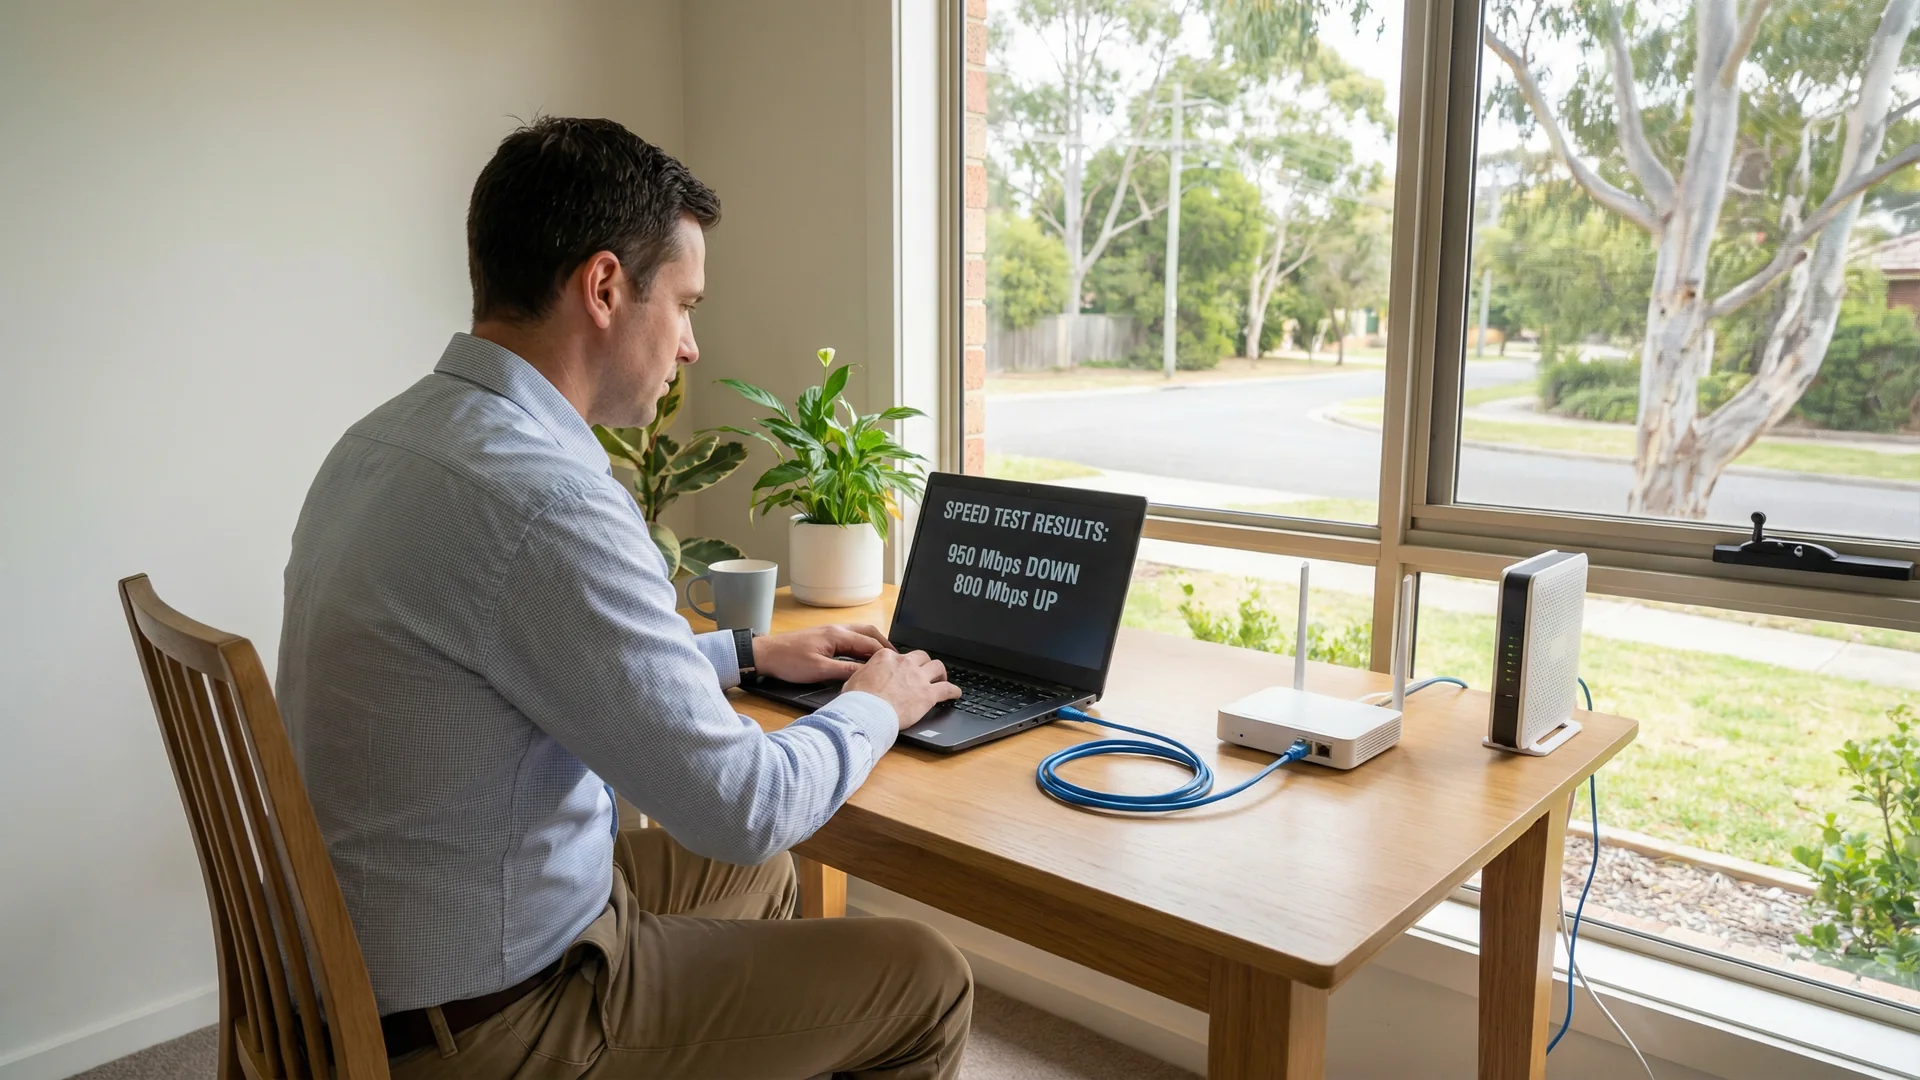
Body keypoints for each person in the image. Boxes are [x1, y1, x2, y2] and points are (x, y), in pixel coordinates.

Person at [278, 116, 971, 1080]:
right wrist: (875, 709)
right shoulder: (549, 502)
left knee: (758, 880)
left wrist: (742, 654)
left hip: (375, 953)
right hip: (491, 1021)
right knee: (924, 976)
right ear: (604, 288)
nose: (690, 346)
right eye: (684, 304)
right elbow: (744, 804)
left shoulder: (386, 441)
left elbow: (513, 668)